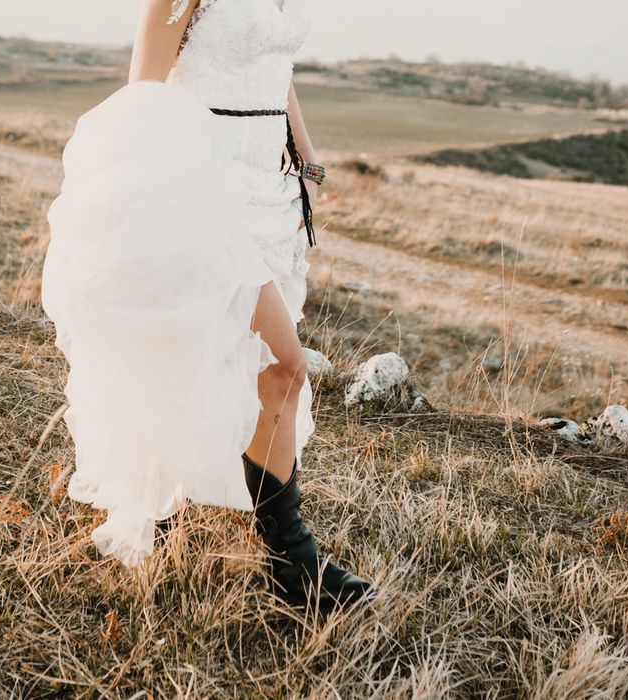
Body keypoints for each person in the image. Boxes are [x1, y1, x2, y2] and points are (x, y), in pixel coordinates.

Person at [41, 0, 376, 613]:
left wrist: (307, 161)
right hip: (202, 191)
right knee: (282, 365)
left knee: (243, 364)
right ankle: (292, 560)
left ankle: (239, 535)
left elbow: (275, 66)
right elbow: (143, 92)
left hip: (268, 193)